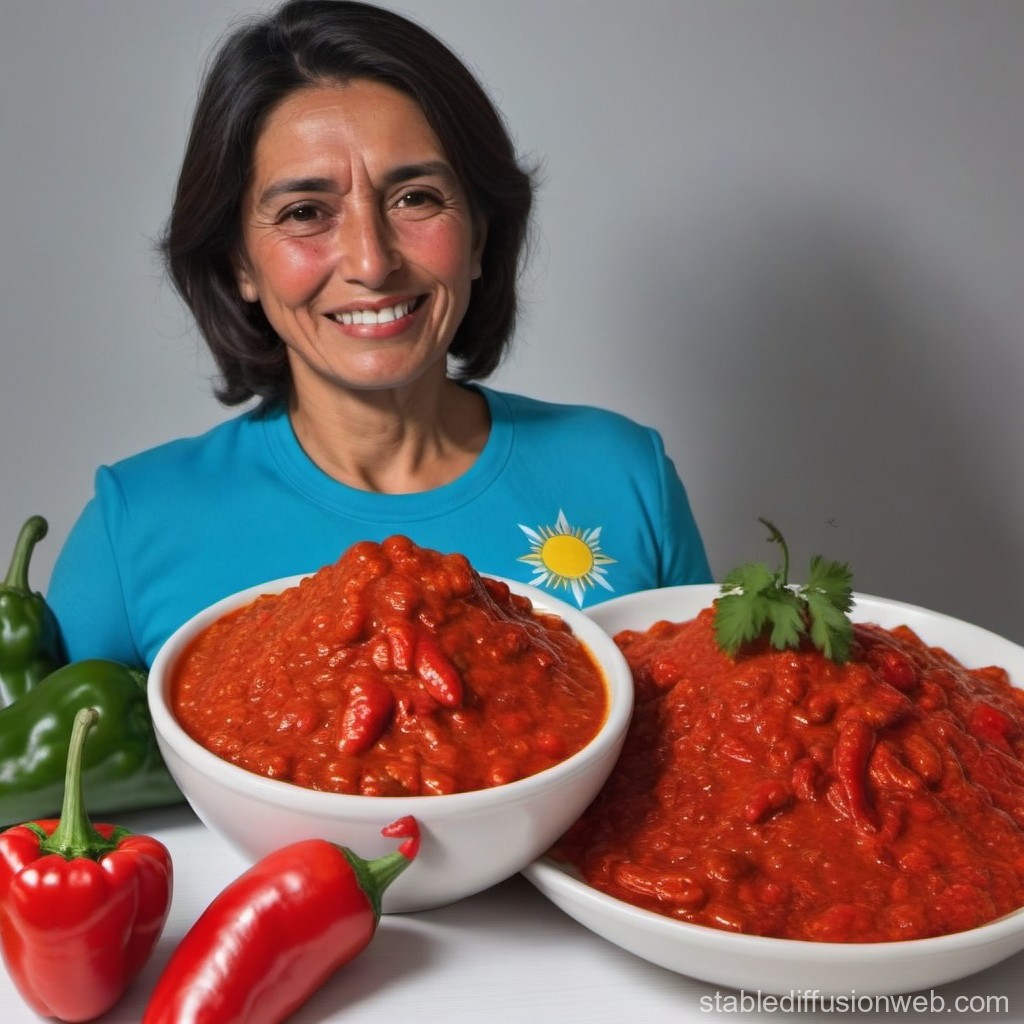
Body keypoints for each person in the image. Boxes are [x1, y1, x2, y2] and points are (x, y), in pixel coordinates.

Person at [47, 0, 711, 668]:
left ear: (479, 235)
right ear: (239, 261)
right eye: (306, 212)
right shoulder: (133, 525)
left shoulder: (627, 476)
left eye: (415, 198)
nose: (372, 261)